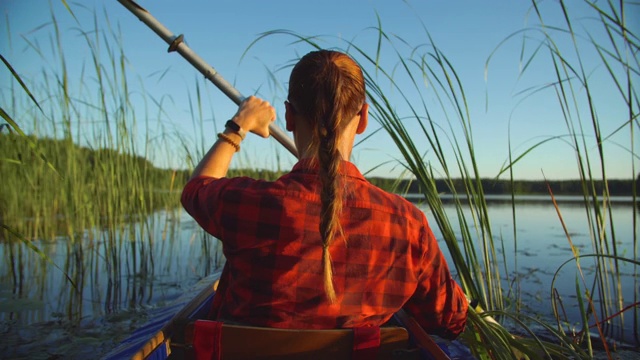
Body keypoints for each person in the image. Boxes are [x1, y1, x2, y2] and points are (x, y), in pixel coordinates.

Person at [181, 50, 468, 339]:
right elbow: (450, 322)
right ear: (364, 118)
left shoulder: (247, 204)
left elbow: (197, 188)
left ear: (289, 117)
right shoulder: (408, 225)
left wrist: (238, 125)